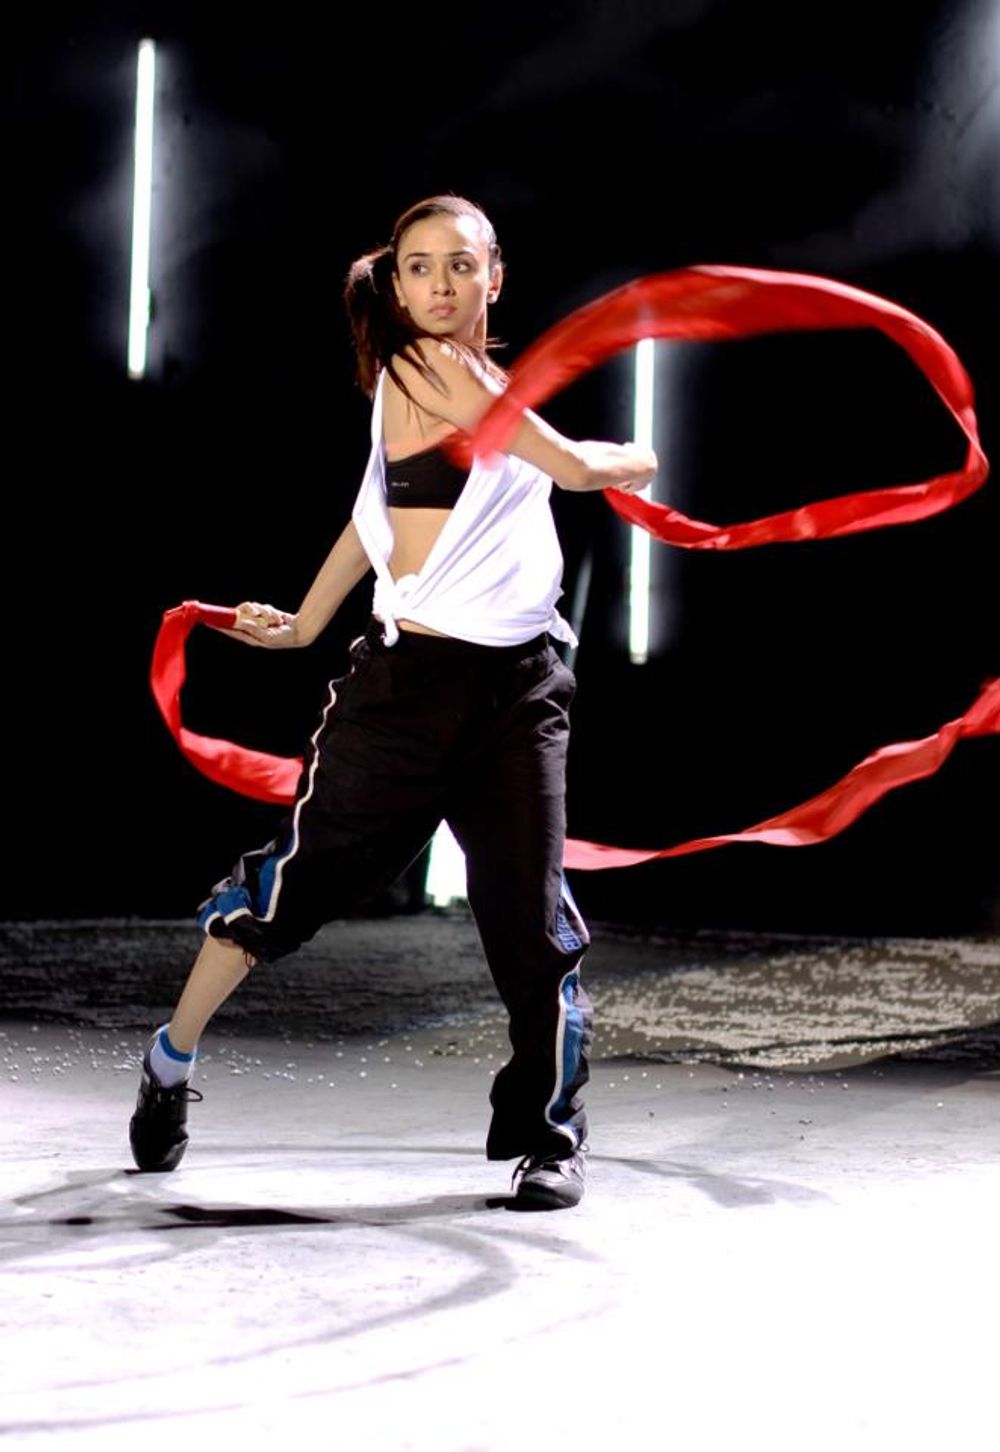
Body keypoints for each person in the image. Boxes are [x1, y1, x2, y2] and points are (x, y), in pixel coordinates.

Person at [129, 194, 657, 1210]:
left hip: (522, 691)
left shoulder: (479, 383)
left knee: (534, 923)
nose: (440, 283)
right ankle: (169, 1059)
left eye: (460, 264)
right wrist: (637, 460)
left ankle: (550, 1136)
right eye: (419, 266)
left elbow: (371, 509)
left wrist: (304, 620)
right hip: (409, 692)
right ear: (398, 285)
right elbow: (573, 467)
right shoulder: (425, 368)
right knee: (289, 891)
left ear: (494, 275)